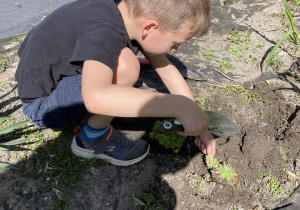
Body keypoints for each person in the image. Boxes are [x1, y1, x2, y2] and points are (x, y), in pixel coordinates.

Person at [15, 0, 216, 166]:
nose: (174, 50)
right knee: (126, 67)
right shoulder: (104, 33)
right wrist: (180, 108)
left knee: (124, 58)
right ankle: (91, 140)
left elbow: (167, 71)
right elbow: (97, 98)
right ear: (150, 27)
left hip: (45, 74)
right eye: (175, 44)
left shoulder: (128, 11)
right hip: (42, 104)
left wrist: (200, 123)